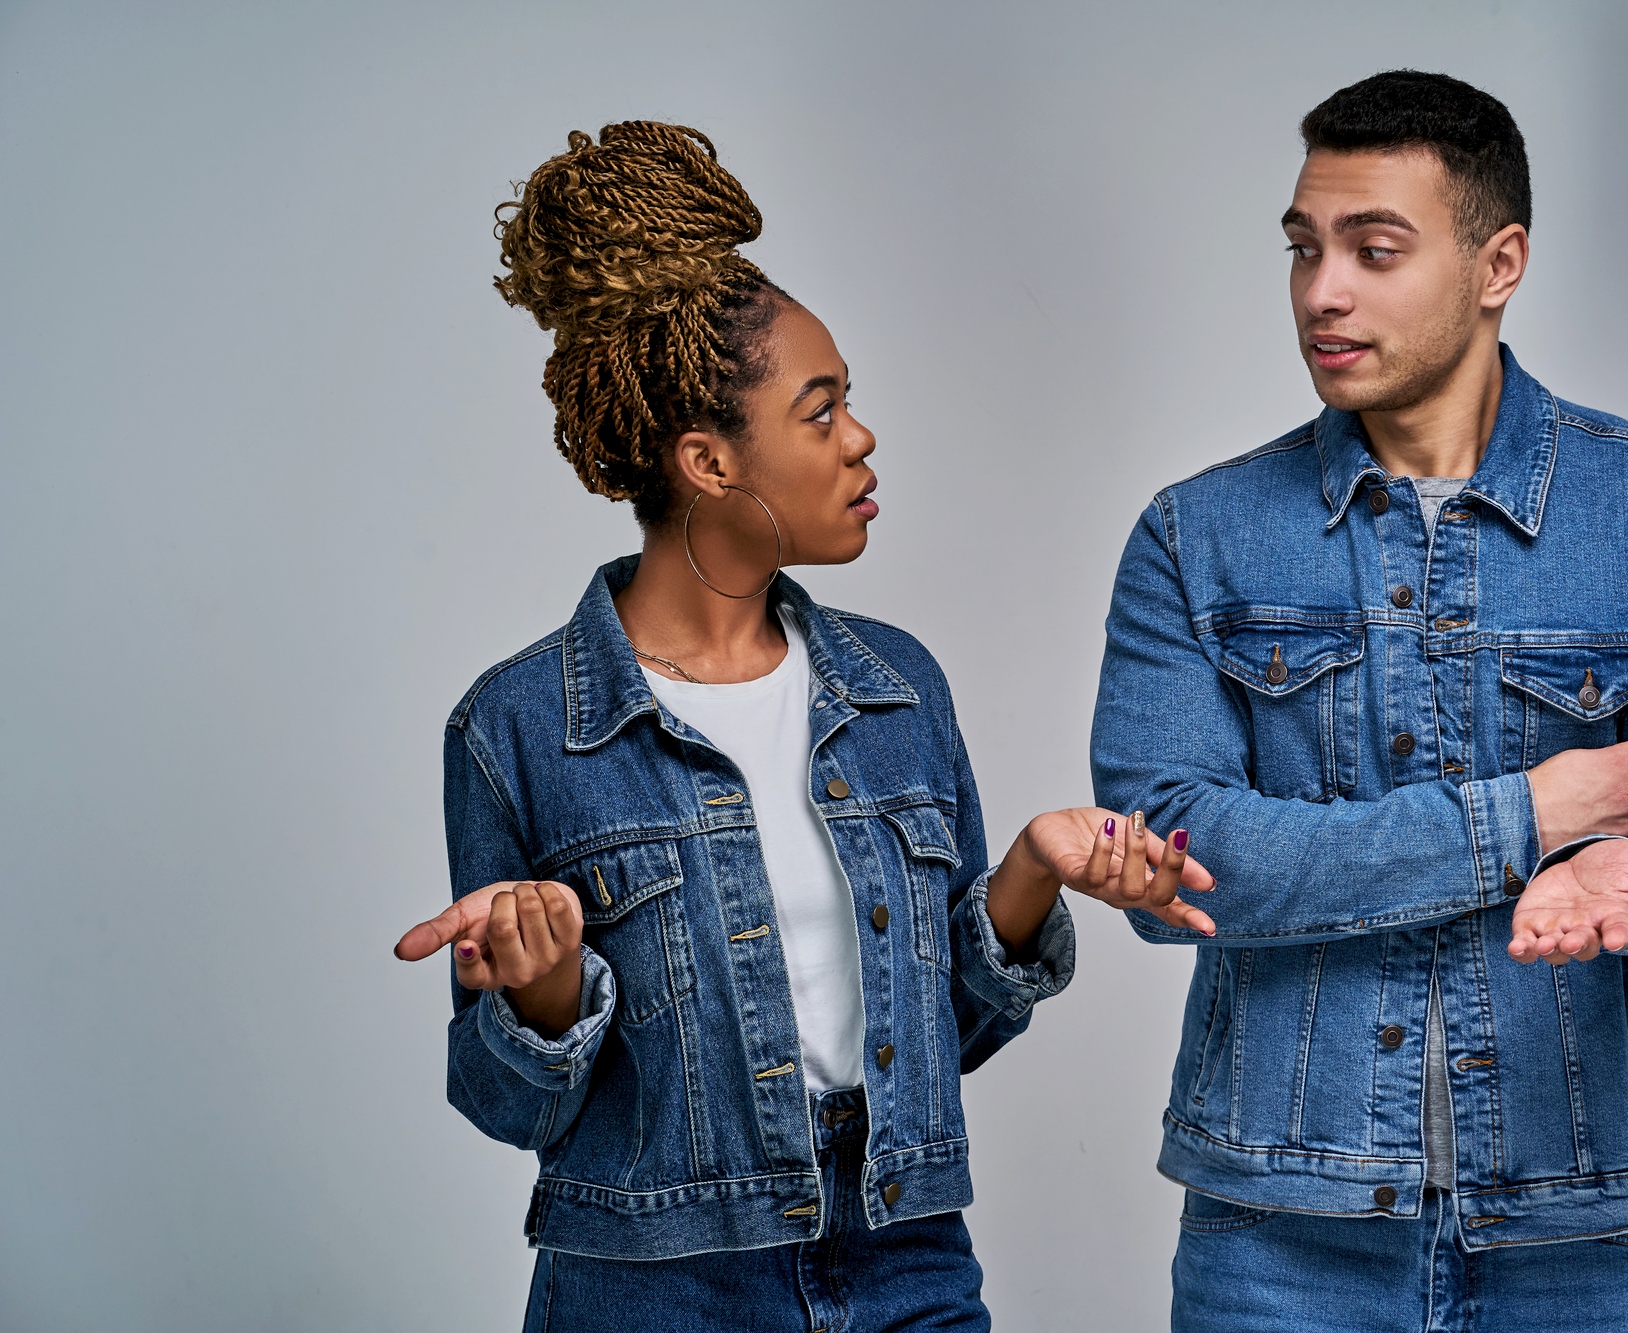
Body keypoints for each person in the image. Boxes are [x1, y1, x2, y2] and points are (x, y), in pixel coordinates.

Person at [391, 121, 1214, 1333]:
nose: (860, 439)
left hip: (905, 1250)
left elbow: (955, 1032)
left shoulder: (896, 690)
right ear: (708, 461)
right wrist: (549, 992)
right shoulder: (519, 725)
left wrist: (1029, 875)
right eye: (819, 412)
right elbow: (508, 1104)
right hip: (656, 1282)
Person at [1091, 71, 1628, 1332]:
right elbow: (1174, 866)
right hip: (1279, 1228)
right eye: (1303, 248)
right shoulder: (1192, 538)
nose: (1322, 290)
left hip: (1583, 1220)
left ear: (1497, 263)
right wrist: (1525, 819)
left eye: (1375, 250)